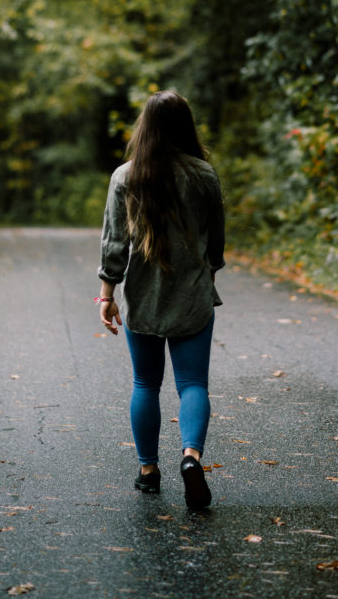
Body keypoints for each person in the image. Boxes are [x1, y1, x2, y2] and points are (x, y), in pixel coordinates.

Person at [96, 89, 225, 510]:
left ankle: (149, 472)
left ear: (144, 128)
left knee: (145, 384)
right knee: (193, 384)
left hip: (143, 297)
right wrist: (207, 271)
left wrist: (106, 295)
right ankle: (191, 457)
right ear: (185, 126)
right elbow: (217, 245)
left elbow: (114, 242)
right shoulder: (204, 175)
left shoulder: (125, 177)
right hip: (192, 296)